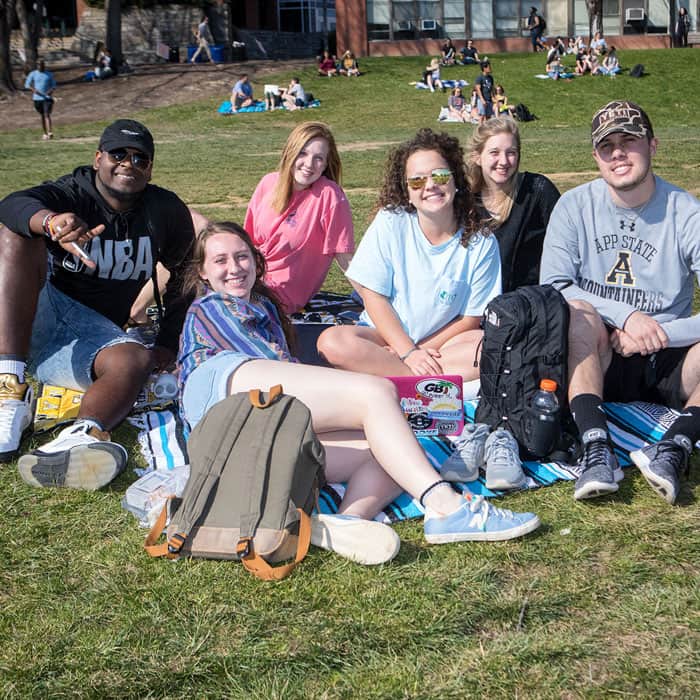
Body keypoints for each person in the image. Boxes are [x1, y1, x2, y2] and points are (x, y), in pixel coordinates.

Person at [177, 221, 541, 546]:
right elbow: (269, 369)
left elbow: (286, 385)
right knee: (375, 395)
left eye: (241, 257)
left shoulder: (264, 306)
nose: (234, 268)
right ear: (204, 273)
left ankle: (345, 523)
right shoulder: (211, 308)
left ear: (255, 261)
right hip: (221, 403)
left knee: (390, 447)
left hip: (253, 437)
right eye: (220, 261)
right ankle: (446, 507)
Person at [0, 119, 195, 488]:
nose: (129, 163)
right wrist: (51, 222)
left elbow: (185, 275)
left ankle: (82, 435)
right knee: (15, 232)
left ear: (150, 169)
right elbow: (11, 205)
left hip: (91, 336)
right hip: (36, 310)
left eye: (141, 158)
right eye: (118, 153)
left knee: (134, 359)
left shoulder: (164, 210)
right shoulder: (73, 192)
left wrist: (168, 342)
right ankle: (7, 387)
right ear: (98, 158)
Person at [540, 100, 700, 505]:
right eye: (607, 145)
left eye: (629, 140)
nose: (618, 152)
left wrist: (659, 333)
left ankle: (674, 447)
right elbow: (554, 284)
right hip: (597, 353)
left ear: (653, 145)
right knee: (578, 314)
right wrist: (626, 317)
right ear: (596, 156)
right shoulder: (574, 205)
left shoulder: (686, 212)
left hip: (667, 358)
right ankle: (597, 448)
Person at [317, 128, 500, 381]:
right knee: (332, 342)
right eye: (417, 180)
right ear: (408, 192)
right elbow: (373, 296)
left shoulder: (483, 243)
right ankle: (420, 382)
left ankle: (390, 376)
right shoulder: (391, 221)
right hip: (382, 337)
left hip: (442, 346)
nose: (430, 186)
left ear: (456, 179)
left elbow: (470, 318)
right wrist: (407, 351)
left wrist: (419, 352)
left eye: (440, 175)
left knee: (489, 348)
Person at [243, 121, 354, 314]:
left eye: (318, 158)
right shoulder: (268, 183)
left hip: (278, 296)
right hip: (248, 280)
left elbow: (345, 258)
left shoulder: (329, 196)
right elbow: (247, 243)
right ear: (290, 153)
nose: (309, 164)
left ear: (326, 164)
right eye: (303, 153)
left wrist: (376, 305)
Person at [467, 117, 559, 293]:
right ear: (478, 157)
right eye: (494, 152)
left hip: (531, 306)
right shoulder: (466, 202)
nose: (504, 161)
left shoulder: (537, 190)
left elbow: (568, 246)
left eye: (511, 152)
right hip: (478, 307)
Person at [24, 60, 56, 141]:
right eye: (38, 65)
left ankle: (50, 132)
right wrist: (34, 90)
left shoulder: (49, 74)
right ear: (37, 66)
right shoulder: (33, 74)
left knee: (47, 114)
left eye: (42, 65)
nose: (40, 67)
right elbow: (27, 84)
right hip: (37, 99)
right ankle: (45, 133)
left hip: (47, 98)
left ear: (44, 65)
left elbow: (54, 85)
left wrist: (50, 91)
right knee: (42, 115)